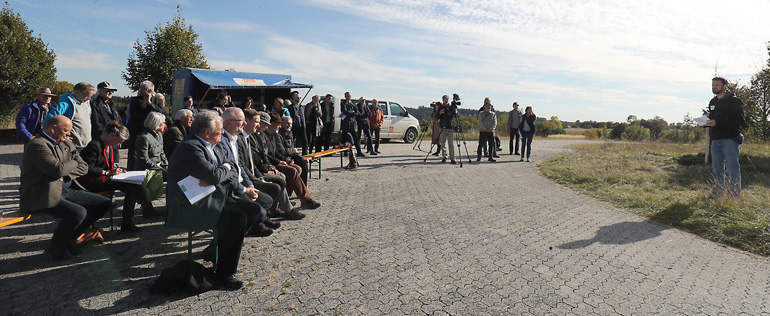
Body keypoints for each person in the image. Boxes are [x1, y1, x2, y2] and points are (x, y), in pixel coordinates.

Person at [165, 111, 256, 290]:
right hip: (189, 205)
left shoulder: (210, 145)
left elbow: (221, 174)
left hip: (208, 196)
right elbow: (217, 174)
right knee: (237, 218)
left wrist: (222, 172)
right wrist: (225, 169)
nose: (222, 134)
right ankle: (225, 273)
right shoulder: (191, 147)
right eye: (220, 130)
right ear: (207, 132)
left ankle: (217, 250)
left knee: (251, 211)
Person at [20, 115, 112, 261]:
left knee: (104, 203)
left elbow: (84, 167)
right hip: (42, 194)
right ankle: (56, 246)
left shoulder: (66, 143)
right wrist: (73, 162)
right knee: (78, 212)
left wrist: (68, 166)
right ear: (53, 128)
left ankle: (70, 238)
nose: (69, 134)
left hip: (65, 190)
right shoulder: (37, 145)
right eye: (66, 130)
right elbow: (57, 170)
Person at [78, 122, 162, 232]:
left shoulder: (109, 147)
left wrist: (117, 171)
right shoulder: (95, 145)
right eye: (118, 141)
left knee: (135, 186)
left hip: (103, 178)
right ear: (112, 135)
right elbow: (87, 169)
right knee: (132, 188)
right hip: (91, 181)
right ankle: (133, 218)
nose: (118, 144)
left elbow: (108, 166)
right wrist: (107, 172)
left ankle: (133, 217)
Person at [217, 108, 279, 236]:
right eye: (241, 121)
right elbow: (229, 172)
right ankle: (247, 229)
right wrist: (245, 189)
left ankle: (252, 225)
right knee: (260, 208)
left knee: (268, 197)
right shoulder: (222, 141)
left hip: (242, 183)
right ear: (228, 123)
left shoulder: (234, 139)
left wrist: (249, 184)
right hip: (231, 189)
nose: (244, 124)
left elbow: (239, 167)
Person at [240, 109, 305, 219]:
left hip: (259, 169)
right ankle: (284, 208)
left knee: (294, 170)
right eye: (258, 122)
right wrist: (263, 173)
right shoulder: (247, 137)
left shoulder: (258, 136)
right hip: (252, 175)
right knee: (282, 178)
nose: (260, 125)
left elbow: (260, 158)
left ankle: (282, 207)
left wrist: (271, 166)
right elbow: (251, 162)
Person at [263, 113, 321, 209]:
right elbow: (268, 155)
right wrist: (280, 161)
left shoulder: (273, 135)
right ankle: (305, 200)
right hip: (269, 165)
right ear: (270, 124)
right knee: (292, 170)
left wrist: (285, 160)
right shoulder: (268, 136)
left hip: (277, 161)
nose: (279, 126)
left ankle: (285, 201)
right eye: (278, 124)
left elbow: (276, 153)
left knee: (298, 168)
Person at [706, 76, 745, 198]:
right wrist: (704, 123)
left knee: (732, 168)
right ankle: (718, 192)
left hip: (730, 139)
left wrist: (718, 123)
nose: (714, 87)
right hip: (715, 140)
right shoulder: (713, 102)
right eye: (713, 85)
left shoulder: (735, 101)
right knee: (716, 169)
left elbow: (739, 120)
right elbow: (712, 119)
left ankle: (734, 195)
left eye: (717, 85)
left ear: (725, 86)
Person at [127, 80, 167, 169]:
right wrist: (150, 118)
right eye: (140, 89)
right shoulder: (135, 100)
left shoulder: (157, 100)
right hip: (137, 130)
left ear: (150, 91)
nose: (140, 91)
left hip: (153, 130)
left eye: (143, 90)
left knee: (152, 153)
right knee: (134, 154)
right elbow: (135, 115)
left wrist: (150, 103)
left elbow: (162, 113)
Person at [43, 82, 95, 150]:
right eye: (87, 95)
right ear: (78, 92)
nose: (89, 98)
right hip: (72, 147)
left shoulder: (85, 104)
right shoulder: (66, 104)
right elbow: (48, 121)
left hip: (86, 146)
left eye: (90, 96)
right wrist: (61, 137)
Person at [278, 116, 310, 184]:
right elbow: (282, 151)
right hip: (283, 159)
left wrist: (302, 158)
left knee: (304, 164)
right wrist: (293, 151)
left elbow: (293, 151)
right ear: (282, 124)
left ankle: (304, 187)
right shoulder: (278, 135)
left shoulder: (290, 133)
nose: (289, 125)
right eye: (287, 123)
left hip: (291, 158)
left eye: (291, 124)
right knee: (295, 170)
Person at [340, 92, 364, 157]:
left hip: (353, 123)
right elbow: (345, 112)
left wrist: (352, 112)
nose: (349, 97)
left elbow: (357, 112)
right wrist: (352, 112)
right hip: (346, 123)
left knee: (356, 138)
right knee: (344, 138)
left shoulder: (353, 103)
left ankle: (359, 151)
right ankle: (344, 152)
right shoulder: (343, 103)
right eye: (347, 96)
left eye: (349, 96)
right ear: (345, 96)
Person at [437, 95, 456, 164]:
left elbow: (455, 116)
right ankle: (444, 156)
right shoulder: (440, 107)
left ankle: (452, 158)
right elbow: (437, 117)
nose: (446, 100)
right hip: (442, 127)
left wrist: (455, 111)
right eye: (445, 99)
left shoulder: (451, 107)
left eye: (447, 99)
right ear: (443, 100)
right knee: (443, 143)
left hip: (450, 127)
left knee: (451, 143)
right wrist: (440, 113)